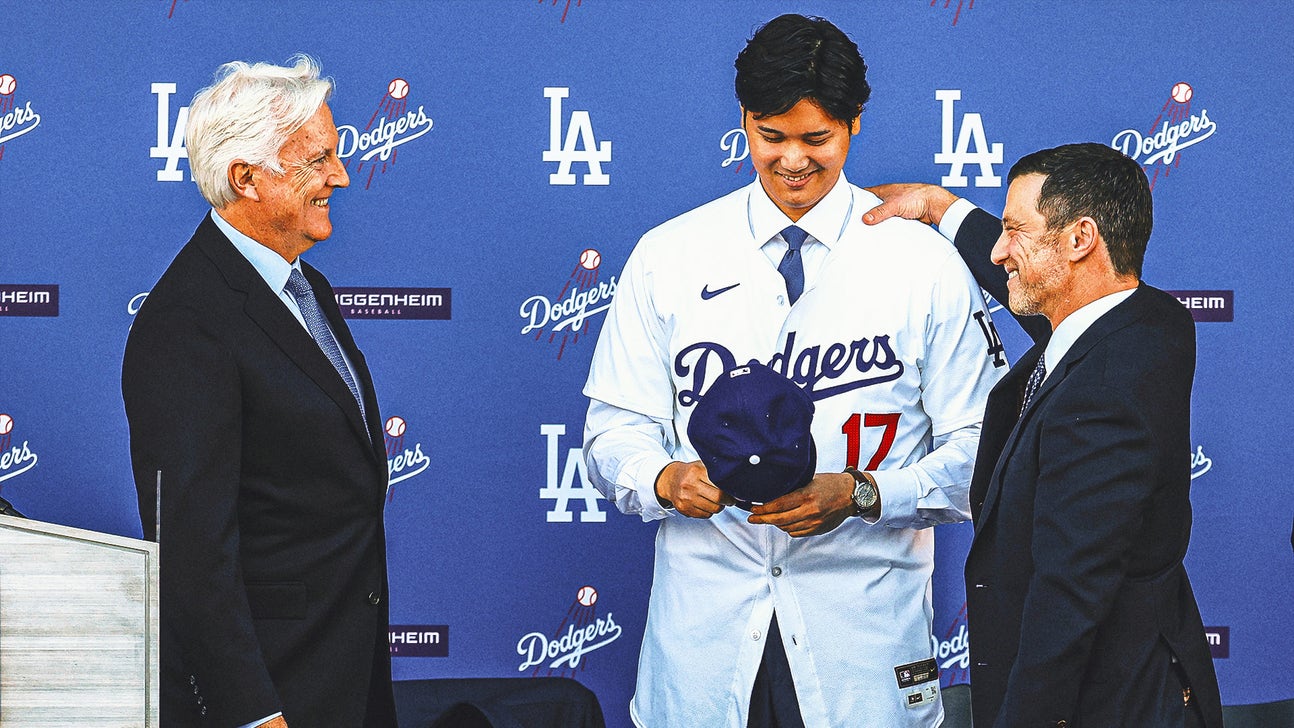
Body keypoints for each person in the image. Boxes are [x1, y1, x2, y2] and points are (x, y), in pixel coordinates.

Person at [581, 14, 1006, 727]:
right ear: (744, 121)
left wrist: (864, 492)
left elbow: (986, 455)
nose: (793, 161)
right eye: (771, 137)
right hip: (705, 644)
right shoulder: (669, 255)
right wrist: (663, 478)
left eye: (817, 139)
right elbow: (611, 431)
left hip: (863, 644)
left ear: (855, 125)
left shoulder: (921, 262)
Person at [863, 143, 1223, 727]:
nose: (1001, 251)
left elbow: (1068, 593)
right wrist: (940, 208)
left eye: (1014, 231)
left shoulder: (1106, 387)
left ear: (1080, 238)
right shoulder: (1148, 323)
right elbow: (1054, 304)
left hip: (1100, 706)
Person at [122, 56, 396, 728]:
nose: (340, 175)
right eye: (317, 160)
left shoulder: (308, 289)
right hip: (274, 697)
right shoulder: (187, 324)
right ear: (245, 177)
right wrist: (251, 711)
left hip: (344, 676)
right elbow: (192, 549)